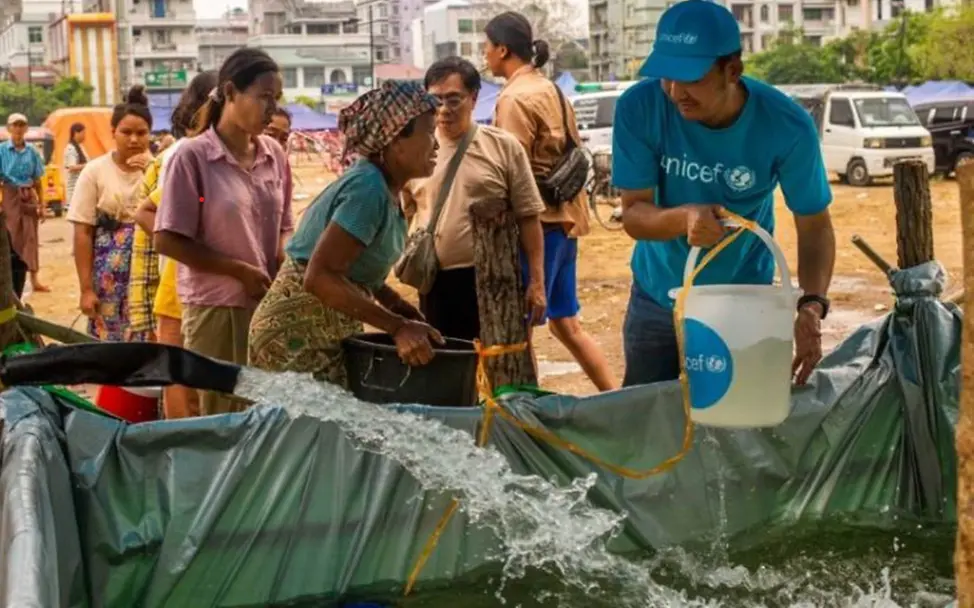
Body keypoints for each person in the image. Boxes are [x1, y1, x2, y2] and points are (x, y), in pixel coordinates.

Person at [611, 0, 836, 388]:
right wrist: (684, 218)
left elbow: (814, 224)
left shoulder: (786, 126)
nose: (675, 91)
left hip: (743, 298)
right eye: (667, 76)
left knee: (737, 425)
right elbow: (633, 214)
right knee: (646, 425)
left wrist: (812, 304)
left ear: (732, 70)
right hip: (658, 297)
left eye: (691, 78)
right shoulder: (639, 107)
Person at [248, 80, 441, 387]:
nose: (437, 144)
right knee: (310, 431)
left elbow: (357, 270)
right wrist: (397, 327)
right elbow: (320, 277)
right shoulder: (368, 190)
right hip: (296, 336)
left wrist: (398, 307)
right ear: (394, 140)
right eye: (429, 132)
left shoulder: (385, 191)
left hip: (324, 330)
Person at [155, 48, 293, 415]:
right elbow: (166, 237)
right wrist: (238, 270)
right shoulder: (193, 157)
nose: (271, 109)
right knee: (220, 414)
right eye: (264, 97)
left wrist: (282, 254)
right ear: (230, 92)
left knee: (264, 412)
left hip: (266, 304)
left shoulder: (274, 155)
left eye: (276, 99)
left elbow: (285, 225)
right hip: (215, 306)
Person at [486, 11, 617, 391]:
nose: (485, 54)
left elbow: (512, 171)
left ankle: (527, 415)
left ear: (503, 50)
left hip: (537, 228)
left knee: (518, 332)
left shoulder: (513, 99)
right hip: (567, 219)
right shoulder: (551, 90)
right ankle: (614, 397)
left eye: (487, 47)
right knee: (566, 324)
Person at [401, 56, 546, 342]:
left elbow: (529, 216)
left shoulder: (503, 147)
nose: (444, 110)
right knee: (448, 368)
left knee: (504, 365)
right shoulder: (414, 150)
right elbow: (408, 212)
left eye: (454, 99)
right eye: (436, 100)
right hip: (435, 284)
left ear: (474, 98)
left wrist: (537, 282)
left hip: (495, 279)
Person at [129, 71, 217, 418]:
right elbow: (148, 218)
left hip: (211, 283)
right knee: (185, 383)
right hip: (183, 280)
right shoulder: (188, 155)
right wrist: (191, 251)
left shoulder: (254, 154)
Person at [68, 86, 154, 340]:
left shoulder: (162, 169)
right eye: (126, 132)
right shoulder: (94, 171)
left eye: (141, 133)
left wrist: (154, 171)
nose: (134, 140)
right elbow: (82, 232)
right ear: (113, 132)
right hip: (106, 279)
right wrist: (86, 290)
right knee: (108, 348)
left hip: (149, 274)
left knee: (149, 345)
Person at [0, 113, 45, 299]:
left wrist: (42, 204)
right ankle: (13, 281)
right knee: (12, 237)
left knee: (31, 238)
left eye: (22, 125)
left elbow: (38, 180)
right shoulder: (1, 151)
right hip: (9, 195)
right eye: (15, 125)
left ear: (26, 128)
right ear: (9, 128)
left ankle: (34, 280)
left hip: (28, 197)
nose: (18, 129)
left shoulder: (33, 152)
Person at [63, 122, 88, 213]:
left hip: (81, 188)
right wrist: (88, 166)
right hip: (74, 189)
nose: (85, 136)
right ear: (76, 133)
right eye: (83, 133)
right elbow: (72, 167)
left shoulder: (81, 147)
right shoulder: (71, 148)